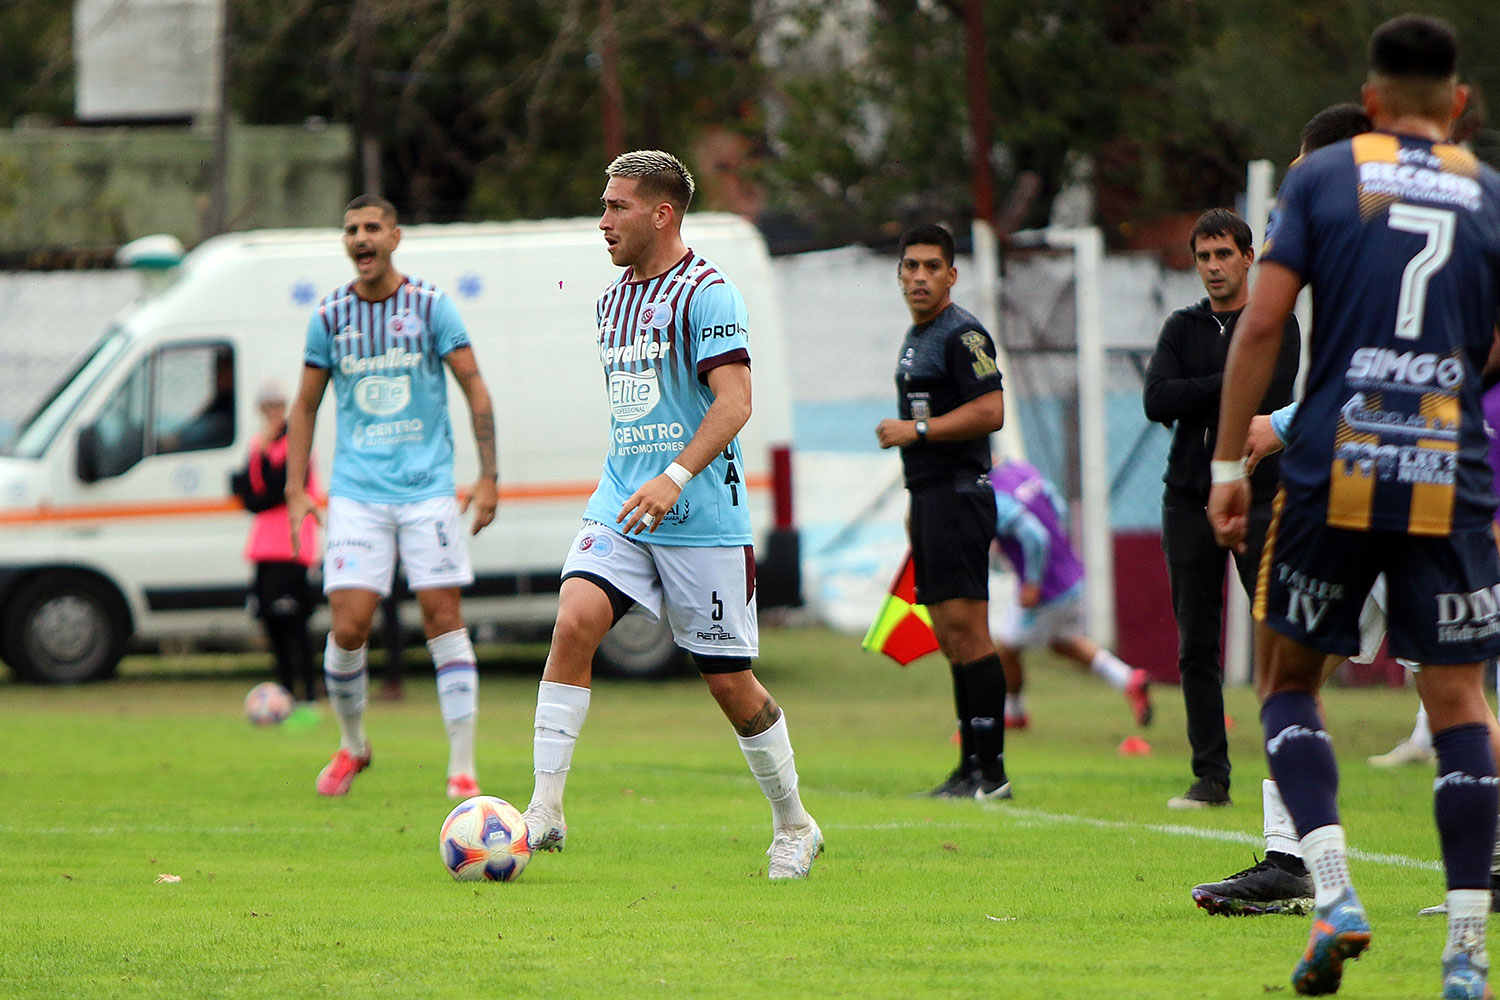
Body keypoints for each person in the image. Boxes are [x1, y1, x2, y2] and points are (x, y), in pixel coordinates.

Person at [1207, 15, 1500, 996]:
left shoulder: (1325, 178)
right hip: (1444, 462)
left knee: (1290, 680)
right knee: (1460, 698)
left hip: (1338, 456)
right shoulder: (1486, 193)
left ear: (1370, 106)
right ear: (1457, 104)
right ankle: (1467, 950)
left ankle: (1331, 892)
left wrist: (1226, 463)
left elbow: (1259, 321)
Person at [517, 150, 822, 879]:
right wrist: (644, 480)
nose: (604, 220)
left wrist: (676, 477)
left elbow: (735, 403)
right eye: (604, 204)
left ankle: (794, 822)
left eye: (617, 206)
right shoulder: (611, 300)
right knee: (574, 619)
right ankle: (545, 806)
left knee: (729, 684)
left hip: (701, 517)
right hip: (623, 504)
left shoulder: (710, 293)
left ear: (662, 212)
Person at [284, 194, 499, 800]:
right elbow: (304, 406)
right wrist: (296, 489)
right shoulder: (329, 317)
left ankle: (462, 767)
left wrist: (488, 476)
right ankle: (354, 746)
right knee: (349, 627)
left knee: (443, 620)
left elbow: (475, 388)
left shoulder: (431, 308)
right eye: (351, 229)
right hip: (357, 494)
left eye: (372, 227)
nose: (361, 238)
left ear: (395, 237)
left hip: (428, 491)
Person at [1143, 209, 1301, 809]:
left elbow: (1273, 393)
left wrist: (1207, 386)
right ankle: (1211, 775)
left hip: (1262, 495)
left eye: (1223, 254)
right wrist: (1231, 380)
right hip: (1186, 499)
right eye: (1204, 256)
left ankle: (1285, 768)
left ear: (1248, 257)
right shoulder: (1181, 327)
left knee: (1276, 634)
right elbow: (1158, 399)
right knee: (1196, 642)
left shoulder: (1273, 323)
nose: (1213, 266)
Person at [875, 223, 1009, 800]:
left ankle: (992, 771)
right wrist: (914, 501)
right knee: (949, 636)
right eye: (911, 266)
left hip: (960, 493)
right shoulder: (916, 334)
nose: (920, 276)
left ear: (951, 275)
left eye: (932, 267)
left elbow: (991, 410)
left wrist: (916, 431)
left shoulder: (963, 334)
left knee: (968, 632)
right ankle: (968, 766)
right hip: (931, 497)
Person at [986, 455, 1153, 730]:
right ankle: (1127, 679)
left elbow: (1035, 536)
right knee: (1061, 641)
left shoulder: (995, 492)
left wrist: (1033, 581)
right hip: (1071, 576)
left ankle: (1014, 714)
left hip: (1046, 589)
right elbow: (1058, 506)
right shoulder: (1020, 468)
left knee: (1005, 646)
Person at [233, 378, 322, 706]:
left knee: (296, 625)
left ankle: (310, 697)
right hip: (265, 548)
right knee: (272, 624)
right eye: (266, 407)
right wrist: (259, 455)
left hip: (293, 546)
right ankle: (285, 694)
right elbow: (250, 497)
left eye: (277, 406)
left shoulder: (293, 444)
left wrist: (261, 459)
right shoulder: (259, 445)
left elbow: (275, 489)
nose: (272, 413)